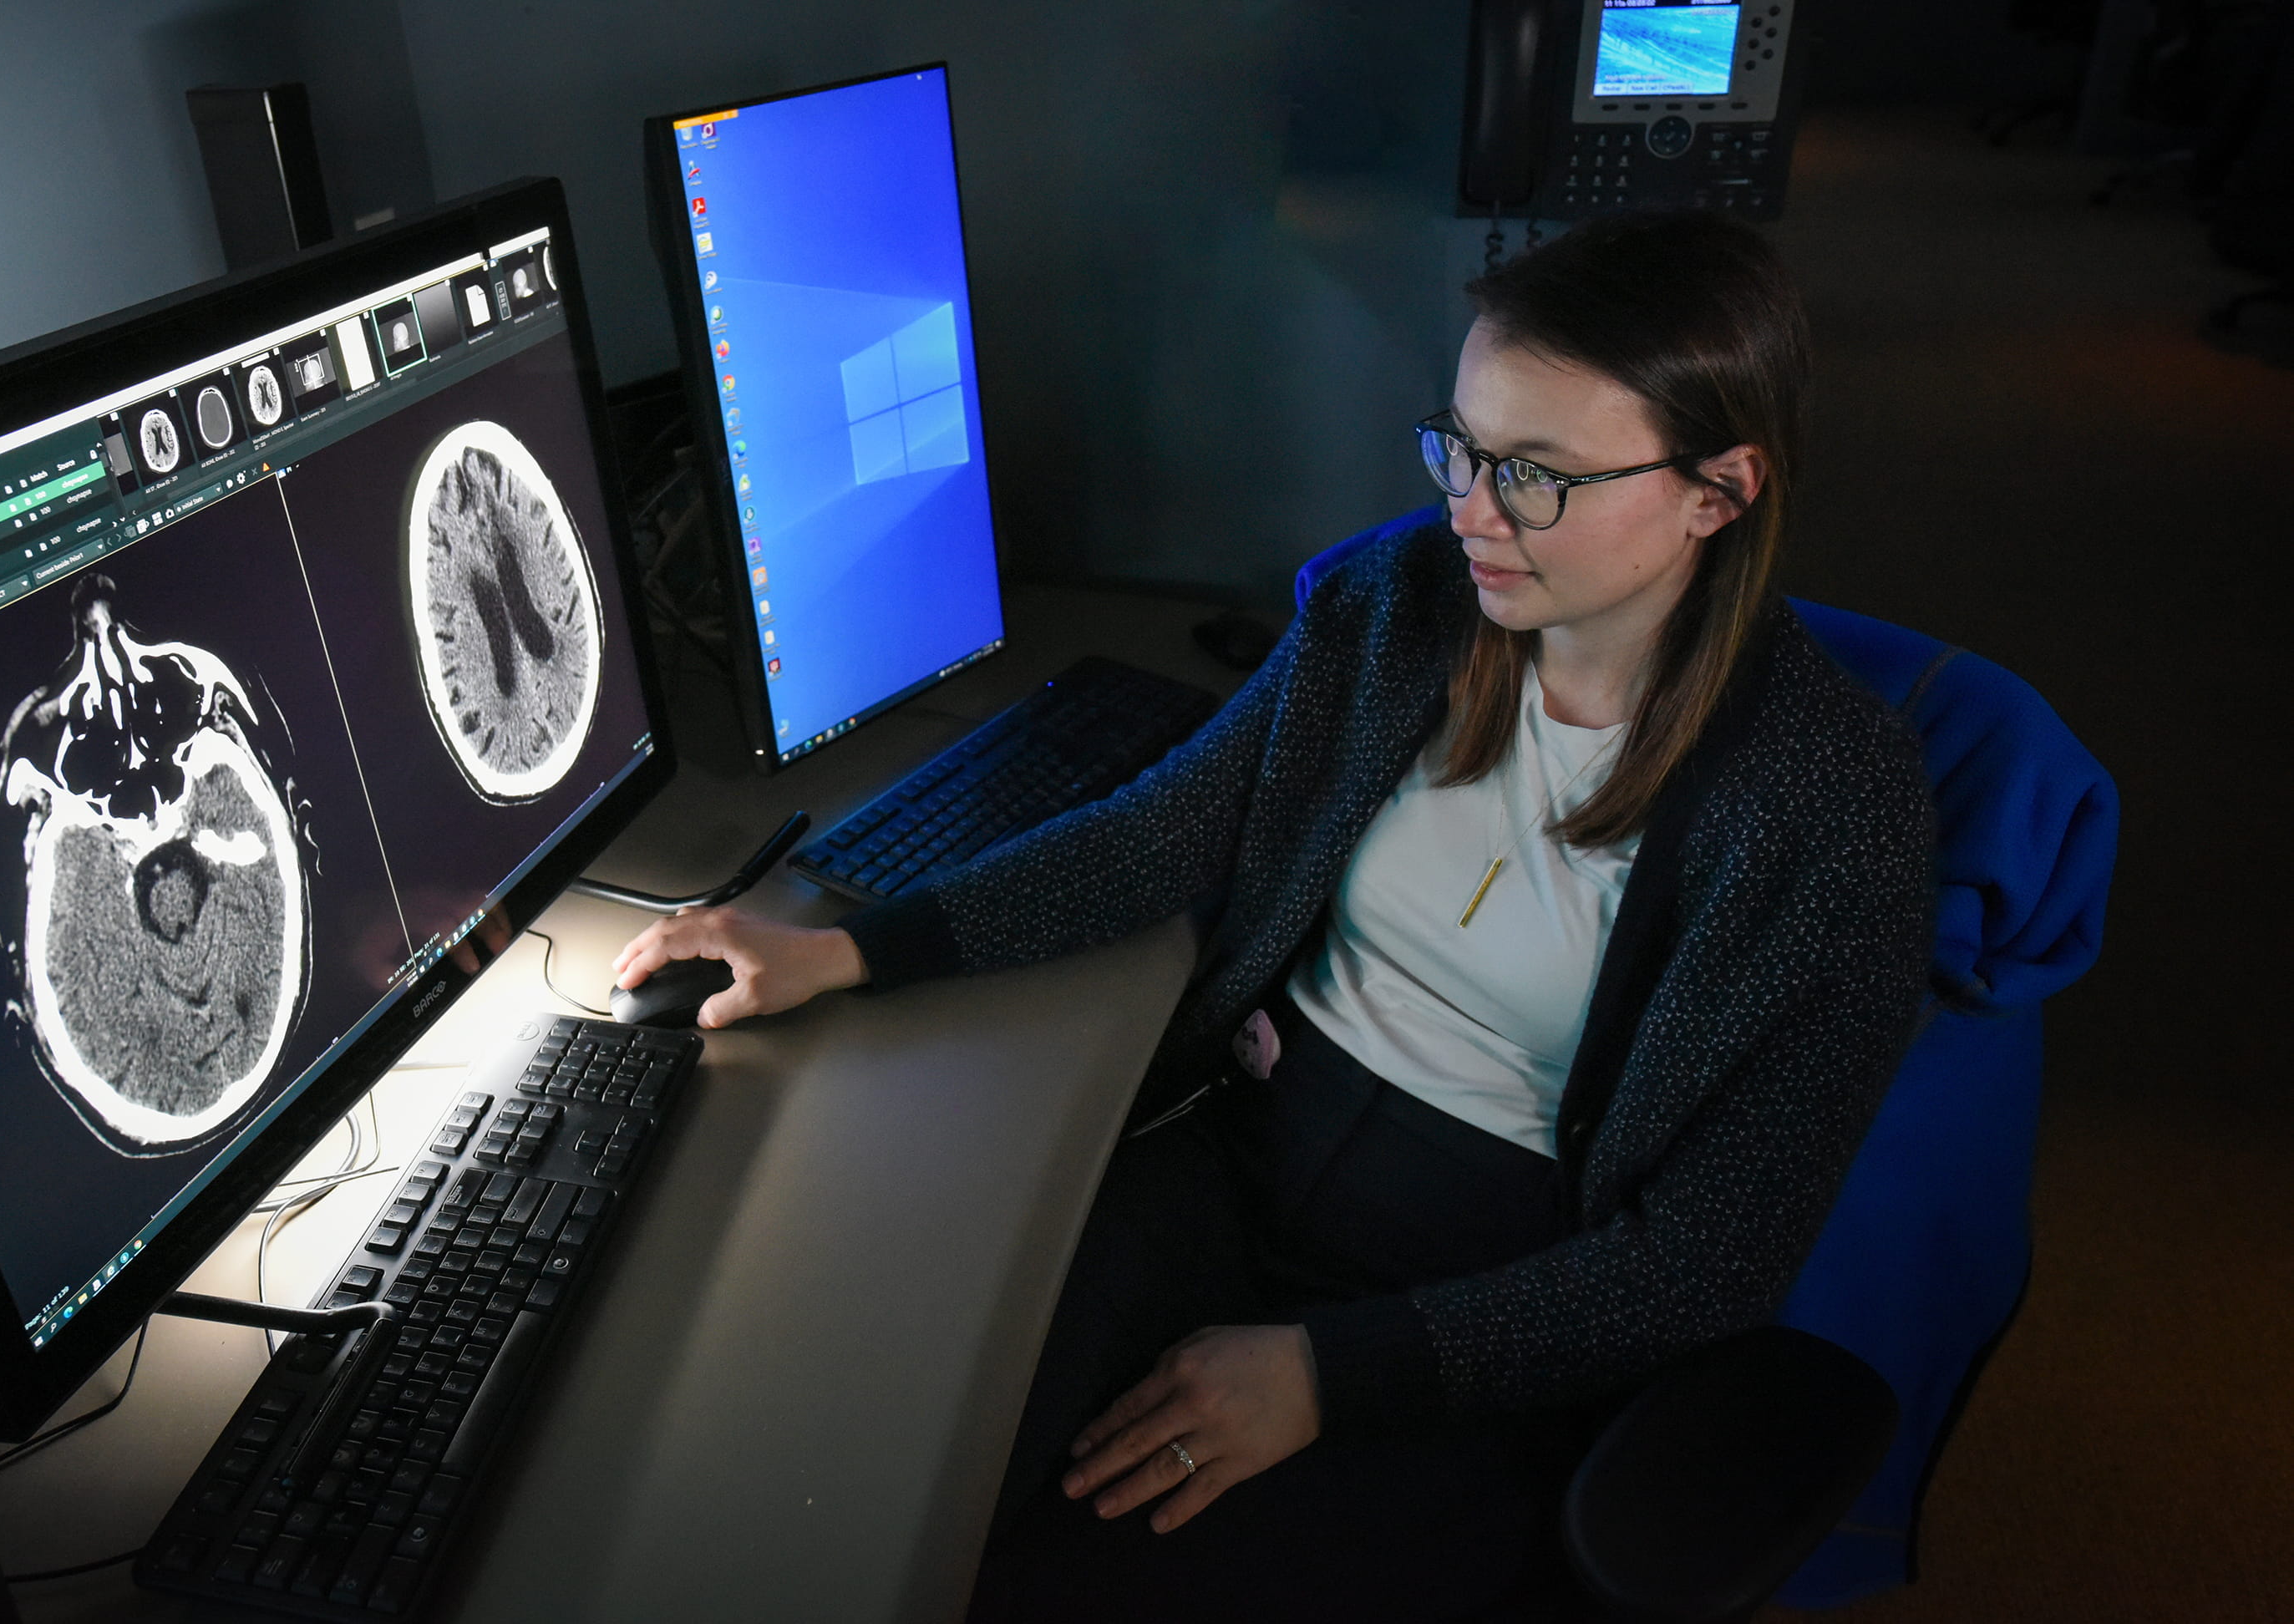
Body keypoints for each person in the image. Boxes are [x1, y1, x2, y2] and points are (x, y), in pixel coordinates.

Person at [612, 211, 1934, 1621]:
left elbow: (1707, 1262)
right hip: (1238, 1157)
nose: (1470, 512)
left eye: (1538, 477)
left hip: (1492, 1294)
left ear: (1717, 493)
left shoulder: (1833, 810)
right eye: (1462, 448)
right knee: (890, 1499)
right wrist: (852, 950)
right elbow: (1167, 828)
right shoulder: (1401, 604)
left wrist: (1327, 1373)